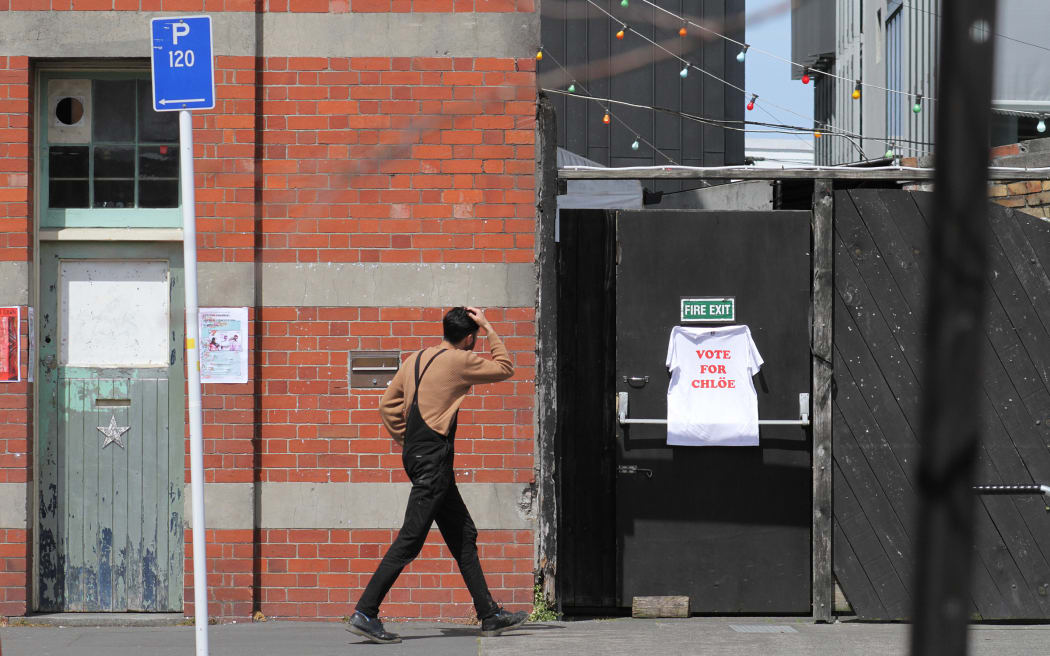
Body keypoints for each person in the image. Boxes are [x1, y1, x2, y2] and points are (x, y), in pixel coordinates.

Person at [347, 306, 530, 644]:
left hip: (419, 455)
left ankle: (489, 615)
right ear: (469, 338)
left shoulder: (415, 358)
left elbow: (387, 404)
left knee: (464, 534)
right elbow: (505, 367)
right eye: (475, 335)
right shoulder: (459, 359)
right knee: (411, 538)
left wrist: (409, 439)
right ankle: (365, 612)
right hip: (434, 460)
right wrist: (489, 326)